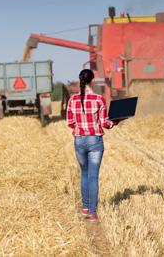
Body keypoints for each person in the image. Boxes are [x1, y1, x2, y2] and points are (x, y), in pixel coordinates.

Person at [66, 69, 119, 222]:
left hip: (79, 140)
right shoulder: (99, 99)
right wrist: (115, 121)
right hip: (95, 141)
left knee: (84, 173)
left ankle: (85, 207)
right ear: (93, 81)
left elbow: (70, 122)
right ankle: (92, 213)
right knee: (93, 176)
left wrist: (81, 127)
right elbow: (105, 123)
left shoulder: (73, 100)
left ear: (80, 80)